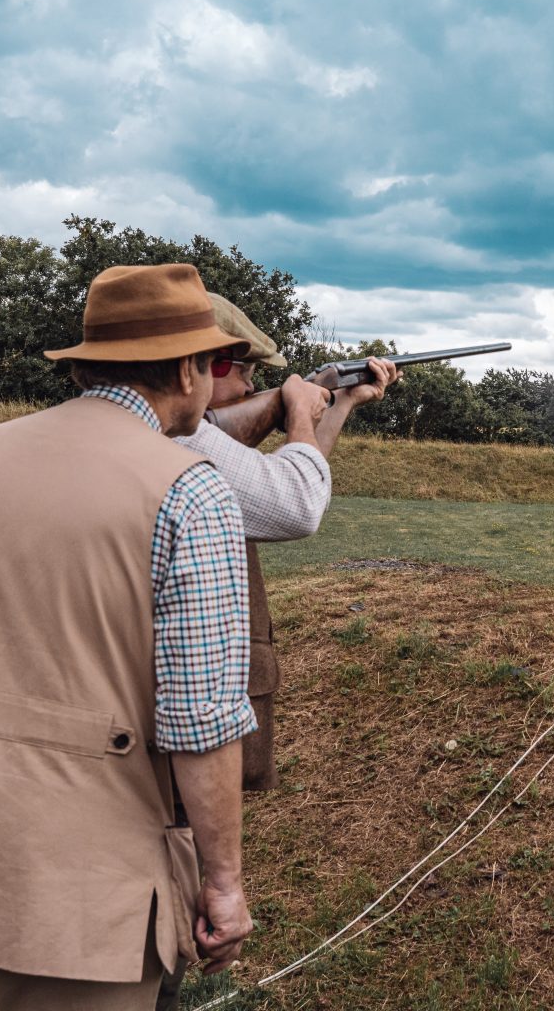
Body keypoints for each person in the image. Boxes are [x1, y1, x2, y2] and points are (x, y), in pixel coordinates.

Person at [0, 264, 310, 1010]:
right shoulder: (192, 489)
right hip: (85, 902)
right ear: (188, 368)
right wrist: (224, 883)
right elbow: (201, 723)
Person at [175, 293, 401, 791]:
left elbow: (294, 479)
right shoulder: (178, 441)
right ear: (211, 365)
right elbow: (296, 504)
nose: (254, 387)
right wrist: (296, 411)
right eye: (247, 373)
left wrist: (337, 402)